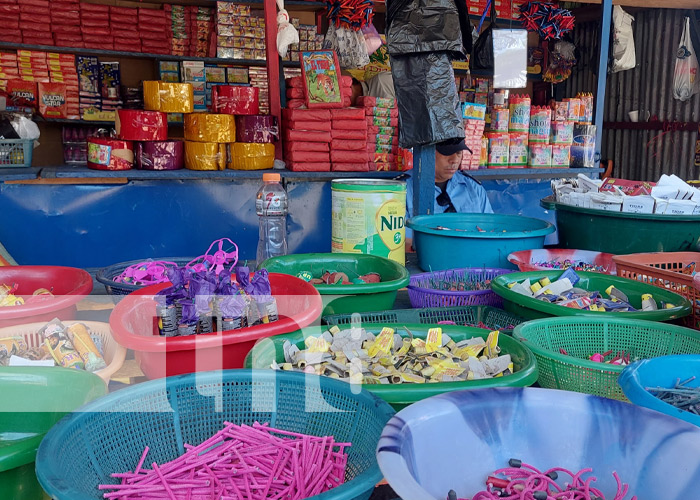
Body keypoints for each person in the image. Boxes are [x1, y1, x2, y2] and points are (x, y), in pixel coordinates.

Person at [404, 139, 493, 249]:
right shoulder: (402, 189)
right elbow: (403, 243)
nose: (454, 160)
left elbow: (491, 231)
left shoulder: (473, 188)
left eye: (459, 153)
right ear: (428, 152)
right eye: (447, 153)